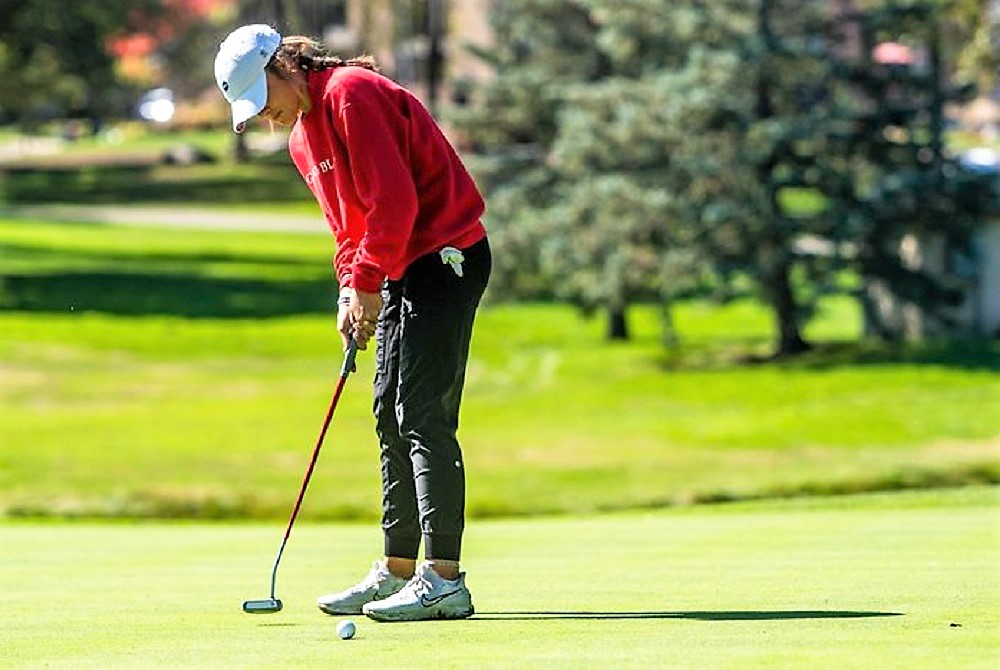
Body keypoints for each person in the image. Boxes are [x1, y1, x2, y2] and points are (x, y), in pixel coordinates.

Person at [214, 24, 490, 622]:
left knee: (421, 415)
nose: (268, 120)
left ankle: (444, 579)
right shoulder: (301, 140)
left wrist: (367, 281)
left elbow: (394, 204)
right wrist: (350, 288)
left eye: (265, 103)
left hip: (445, 255)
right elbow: (349, 226)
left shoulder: (351, 93)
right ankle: (396, 570)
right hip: (398, 266)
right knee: (387, 412)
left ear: (281, 69)